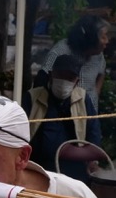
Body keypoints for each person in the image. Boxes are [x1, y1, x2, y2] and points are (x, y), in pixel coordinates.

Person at [30, 54, 103, 182]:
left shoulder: (83, 99)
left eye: (70, 78)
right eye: (60, 75)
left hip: (75, 171)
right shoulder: (33, 98)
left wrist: (93, 161)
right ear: (51, 75)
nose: (64, 81)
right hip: (40, 169)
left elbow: (93, 132)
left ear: (77, 81)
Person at [41, 15, 109, 110]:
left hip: (89, 113)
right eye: (103, 37)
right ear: (91, 38)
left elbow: (101, 73)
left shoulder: (98, 55)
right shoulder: (60, 51)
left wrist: (95, 93)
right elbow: (43, 77)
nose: (107, 41)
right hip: (64, 112)